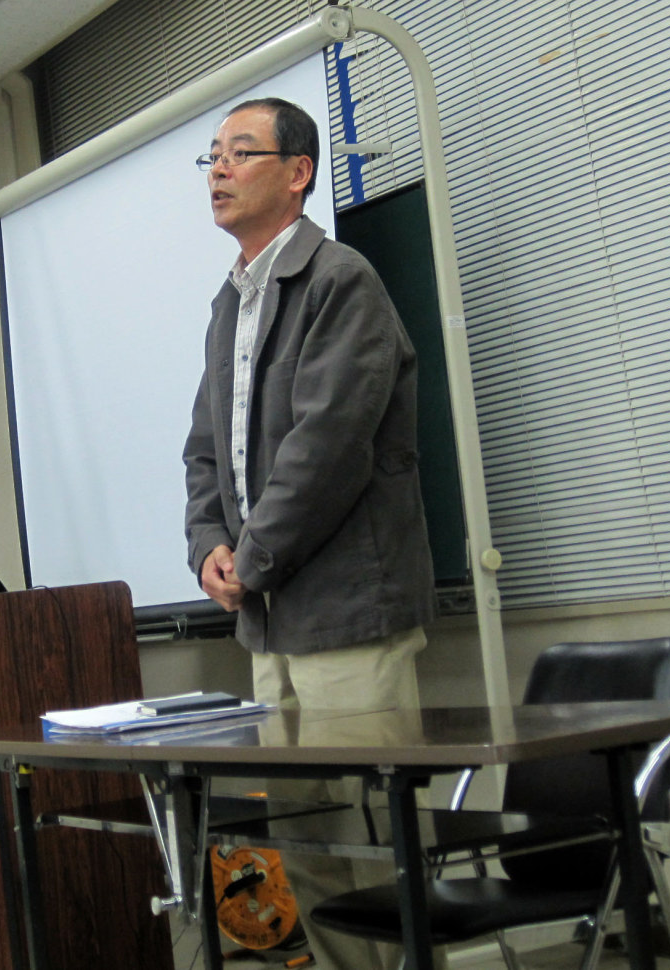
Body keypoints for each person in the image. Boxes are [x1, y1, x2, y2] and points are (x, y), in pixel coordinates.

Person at [182, 98, 438, 970]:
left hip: (349, 617)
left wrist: (250, 559)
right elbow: (205, 451)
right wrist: (208, 548)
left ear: (298, 173)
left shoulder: (340, 281)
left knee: (376, 840)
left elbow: (329, 448)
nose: (219, 170)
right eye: (212, 156)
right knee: (303, 842)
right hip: (269, 624)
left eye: (240, 152)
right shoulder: (230, 303)